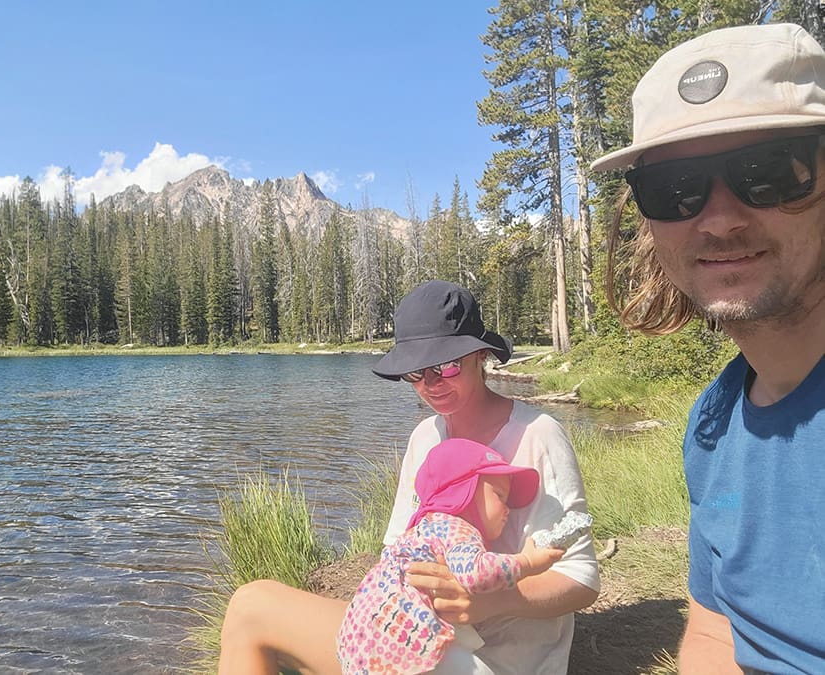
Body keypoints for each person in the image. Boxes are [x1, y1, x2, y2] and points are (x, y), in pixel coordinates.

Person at [591, 22, 825, 674]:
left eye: (772, 172)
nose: (719, 217)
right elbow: (716, 639)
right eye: (677, 189)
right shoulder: (712, 425)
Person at [218, 279, 599, 675]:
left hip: (499, 661)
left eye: (444, 366)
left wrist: (492, 601)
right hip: (417, 638)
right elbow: (398, 551)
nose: (431, 384)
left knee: (253, 610)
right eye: (416, 372)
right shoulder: (425, 438)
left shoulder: (538, 434)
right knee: (249, 604)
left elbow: (581, 580)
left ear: (480, 355)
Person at [337, 437, 566, 674]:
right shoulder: (458, 529)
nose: (508, 509)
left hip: (365, 639)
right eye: (499, 495)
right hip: (406, 643)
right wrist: (527, 562)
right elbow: (476, 573)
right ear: (461, 490)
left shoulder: (424, 529)